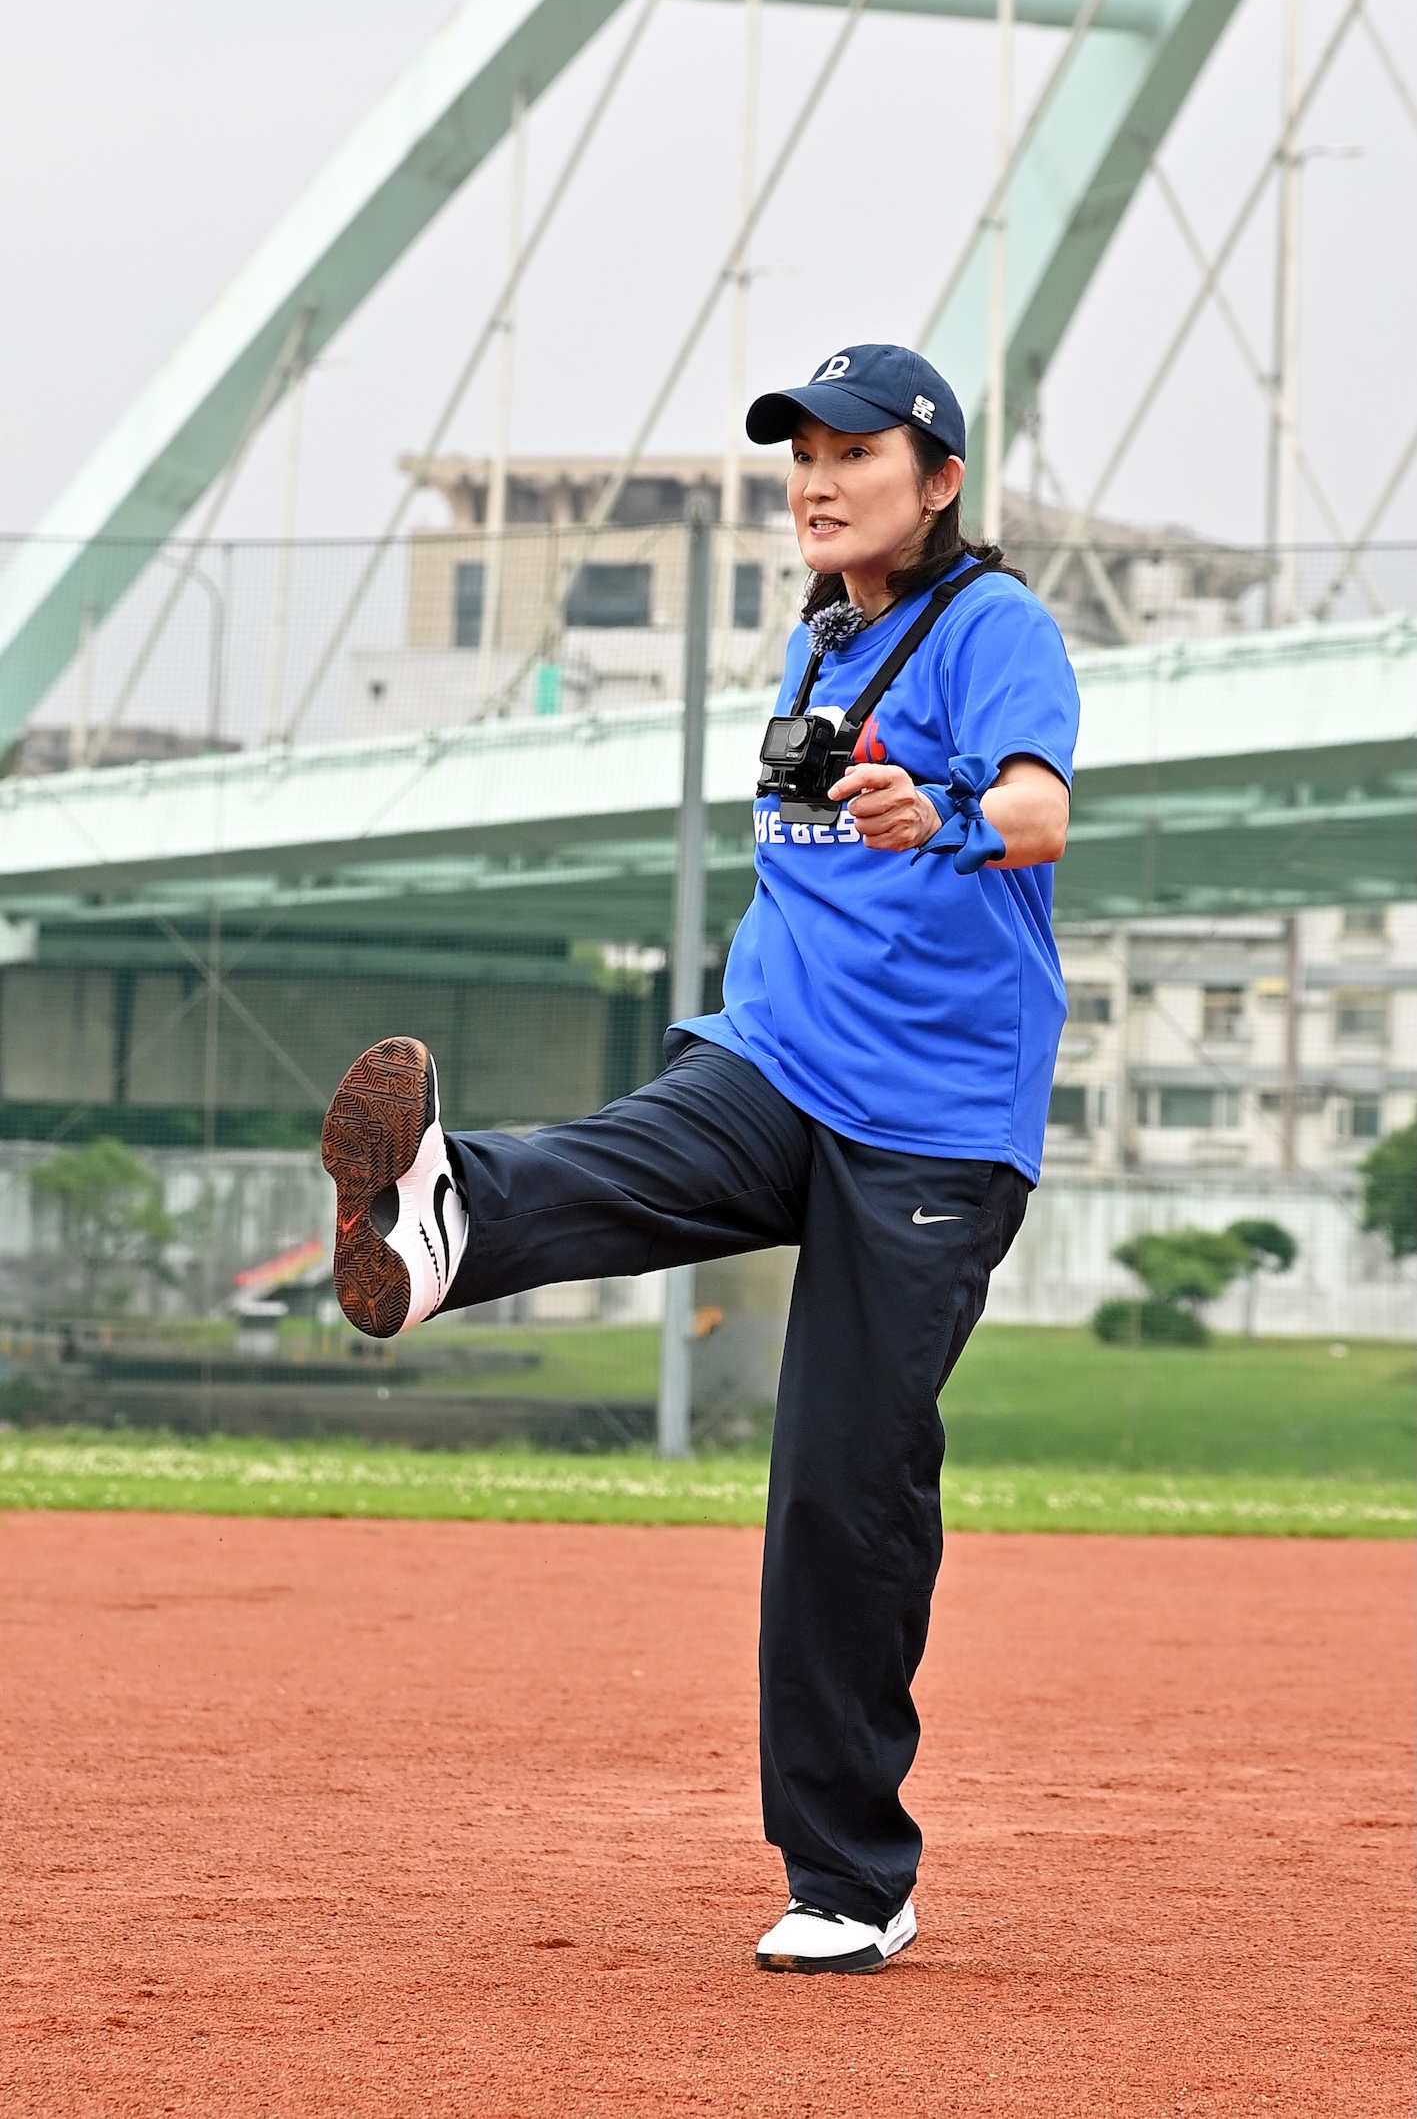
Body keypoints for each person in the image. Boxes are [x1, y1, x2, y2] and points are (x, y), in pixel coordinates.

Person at [321, 342, 1079, 1975]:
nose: (815, 478)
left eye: (853, 453)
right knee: (632, 1145)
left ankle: (850, 1878)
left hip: (934, 1122)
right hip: (777, 1055)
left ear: (937, 480)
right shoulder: (819, 642)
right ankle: (448, 1216)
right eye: (799, 452)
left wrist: (932, 814)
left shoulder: (990, 625)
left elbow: (1034, 811)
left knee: (837, 1485)